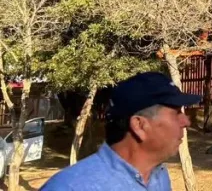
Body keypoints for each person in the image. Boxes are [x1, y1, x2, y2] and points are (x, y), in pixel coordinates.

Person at [42, 72, 201, 190]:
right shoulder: (71, 187)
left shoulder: (159, 177)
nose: (186, 122)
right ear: (139, 125)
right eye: (176, 113)